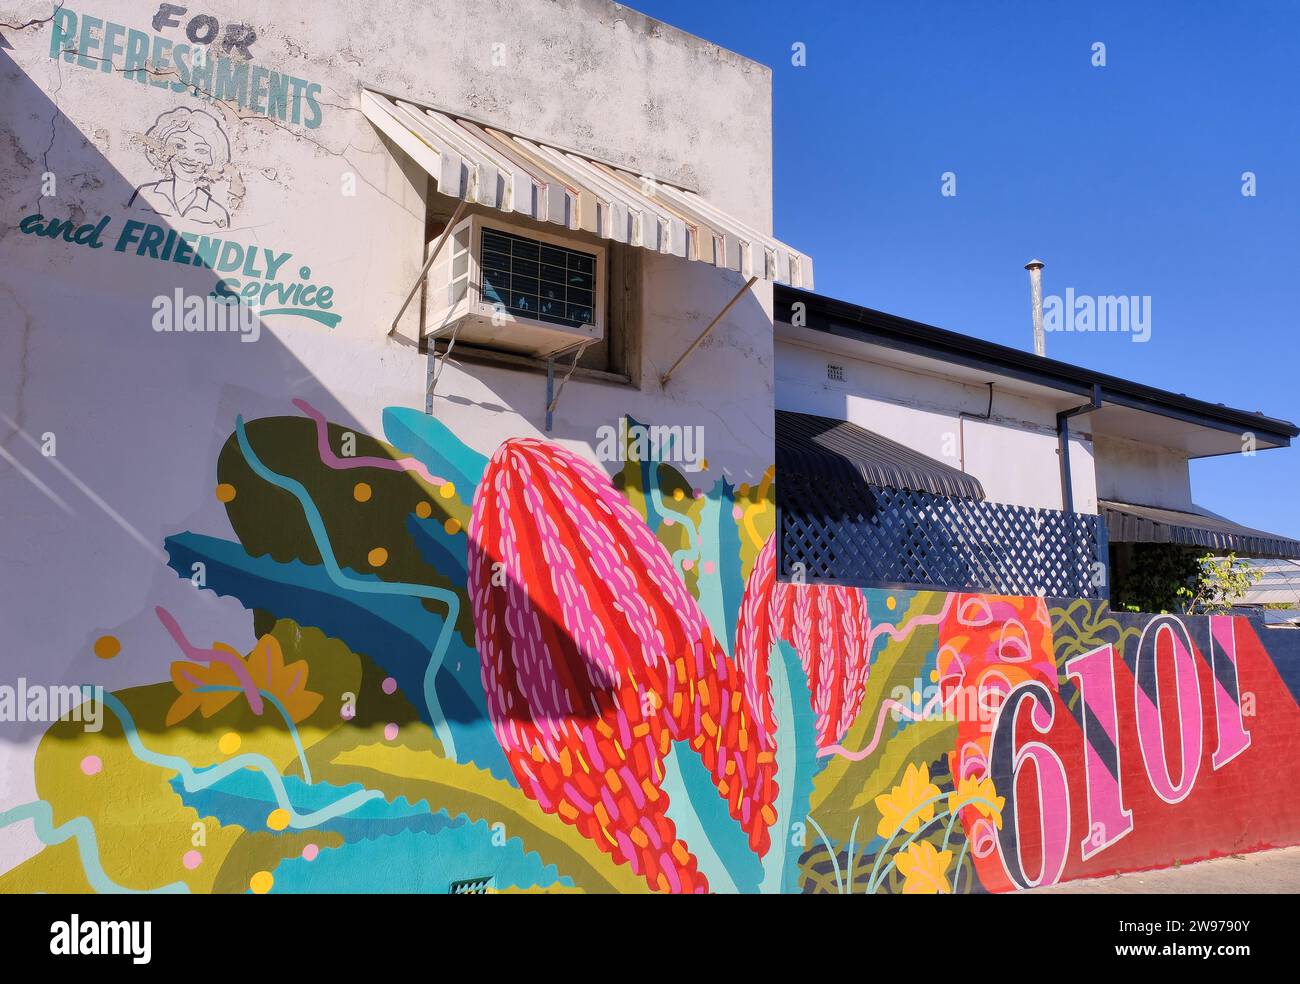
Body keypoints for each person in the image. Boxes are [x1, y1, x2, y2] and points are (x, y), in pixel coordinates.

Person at [128, 107, 231, 227]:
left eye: (201, 150)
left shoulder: (215, 213)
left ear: (212, 159)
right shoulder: (147, 194)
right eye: (179, 146)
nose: (189, 157)